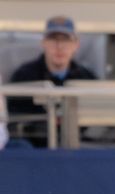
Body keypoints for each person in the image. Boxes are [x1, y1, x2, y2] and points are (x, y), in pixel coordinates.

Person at [6, 16, 97, 148]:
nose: (59, 46)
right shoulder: (24, 76)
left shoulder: (88, 79)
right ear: (43, 43)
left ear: (76, 45)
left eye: (65, 39)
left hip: (77, 150)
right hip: (36, 151)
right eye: (53, 39)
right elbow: (15, 121)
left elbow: (98, 125)